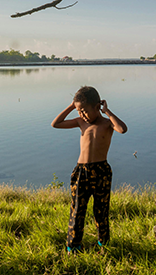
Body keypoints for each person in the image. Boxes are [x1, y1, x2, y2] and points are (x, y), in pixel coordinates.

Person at [51, 86, 128, 253]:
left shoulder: (108, 124)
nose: (82, 115)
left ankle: (103, 242)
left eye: (84, 111)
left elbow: (122, 129)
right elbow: (55, 124)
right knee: (77, 209)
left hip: (101, 171)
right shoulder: (80, 122)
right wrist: (72, 106)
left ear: (97, 107)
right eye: (79, 111)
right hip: (81, 171)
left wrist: (108, 112)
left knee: (101, 210)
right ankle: (74, 245)